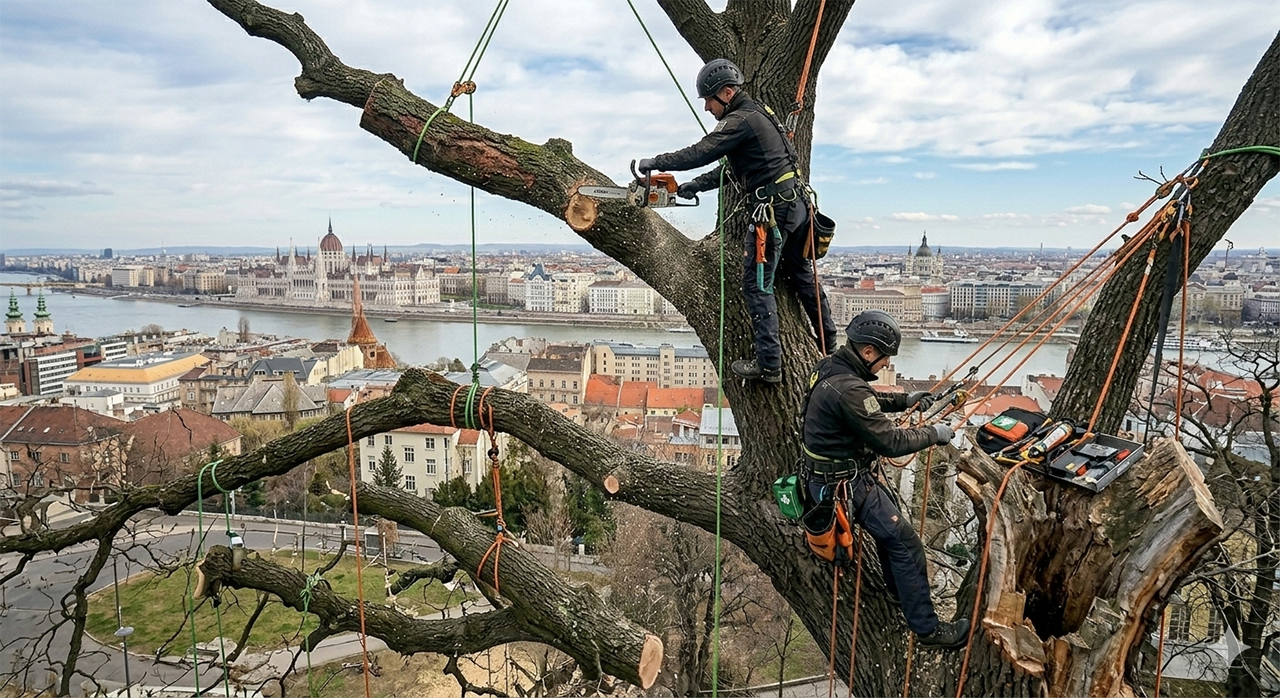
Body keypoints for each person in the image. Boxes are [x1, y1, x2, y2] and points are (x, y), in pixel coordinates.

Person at [637, 58, 836, 384]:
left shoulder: (740, 120)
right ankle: (829, 345)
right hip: (797, 208)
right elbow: (733, 169)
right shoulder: (759, 116)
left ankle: (769, 365)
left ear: (727, 93)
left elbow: (701, 151)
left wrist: (655, 163)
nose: (706, 107)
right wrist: (696, 185)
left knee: (757, 285)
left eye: (709, 99)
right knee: (802, 277)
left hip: (772, 212)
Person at [801, 309, 970, 648]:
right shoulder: (850, 389)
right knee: (906, 544)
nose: (883, 365)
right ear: (868, 352)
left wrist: (905, 400)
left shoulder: (831, 368)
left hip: (828, 479)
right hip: (846, 486)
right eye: (884, 358)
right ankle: (928, 630)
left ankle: (900, 593)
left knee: (892, 538)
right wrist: (935, 434)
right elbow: (891, 442)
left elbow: (866, 401)